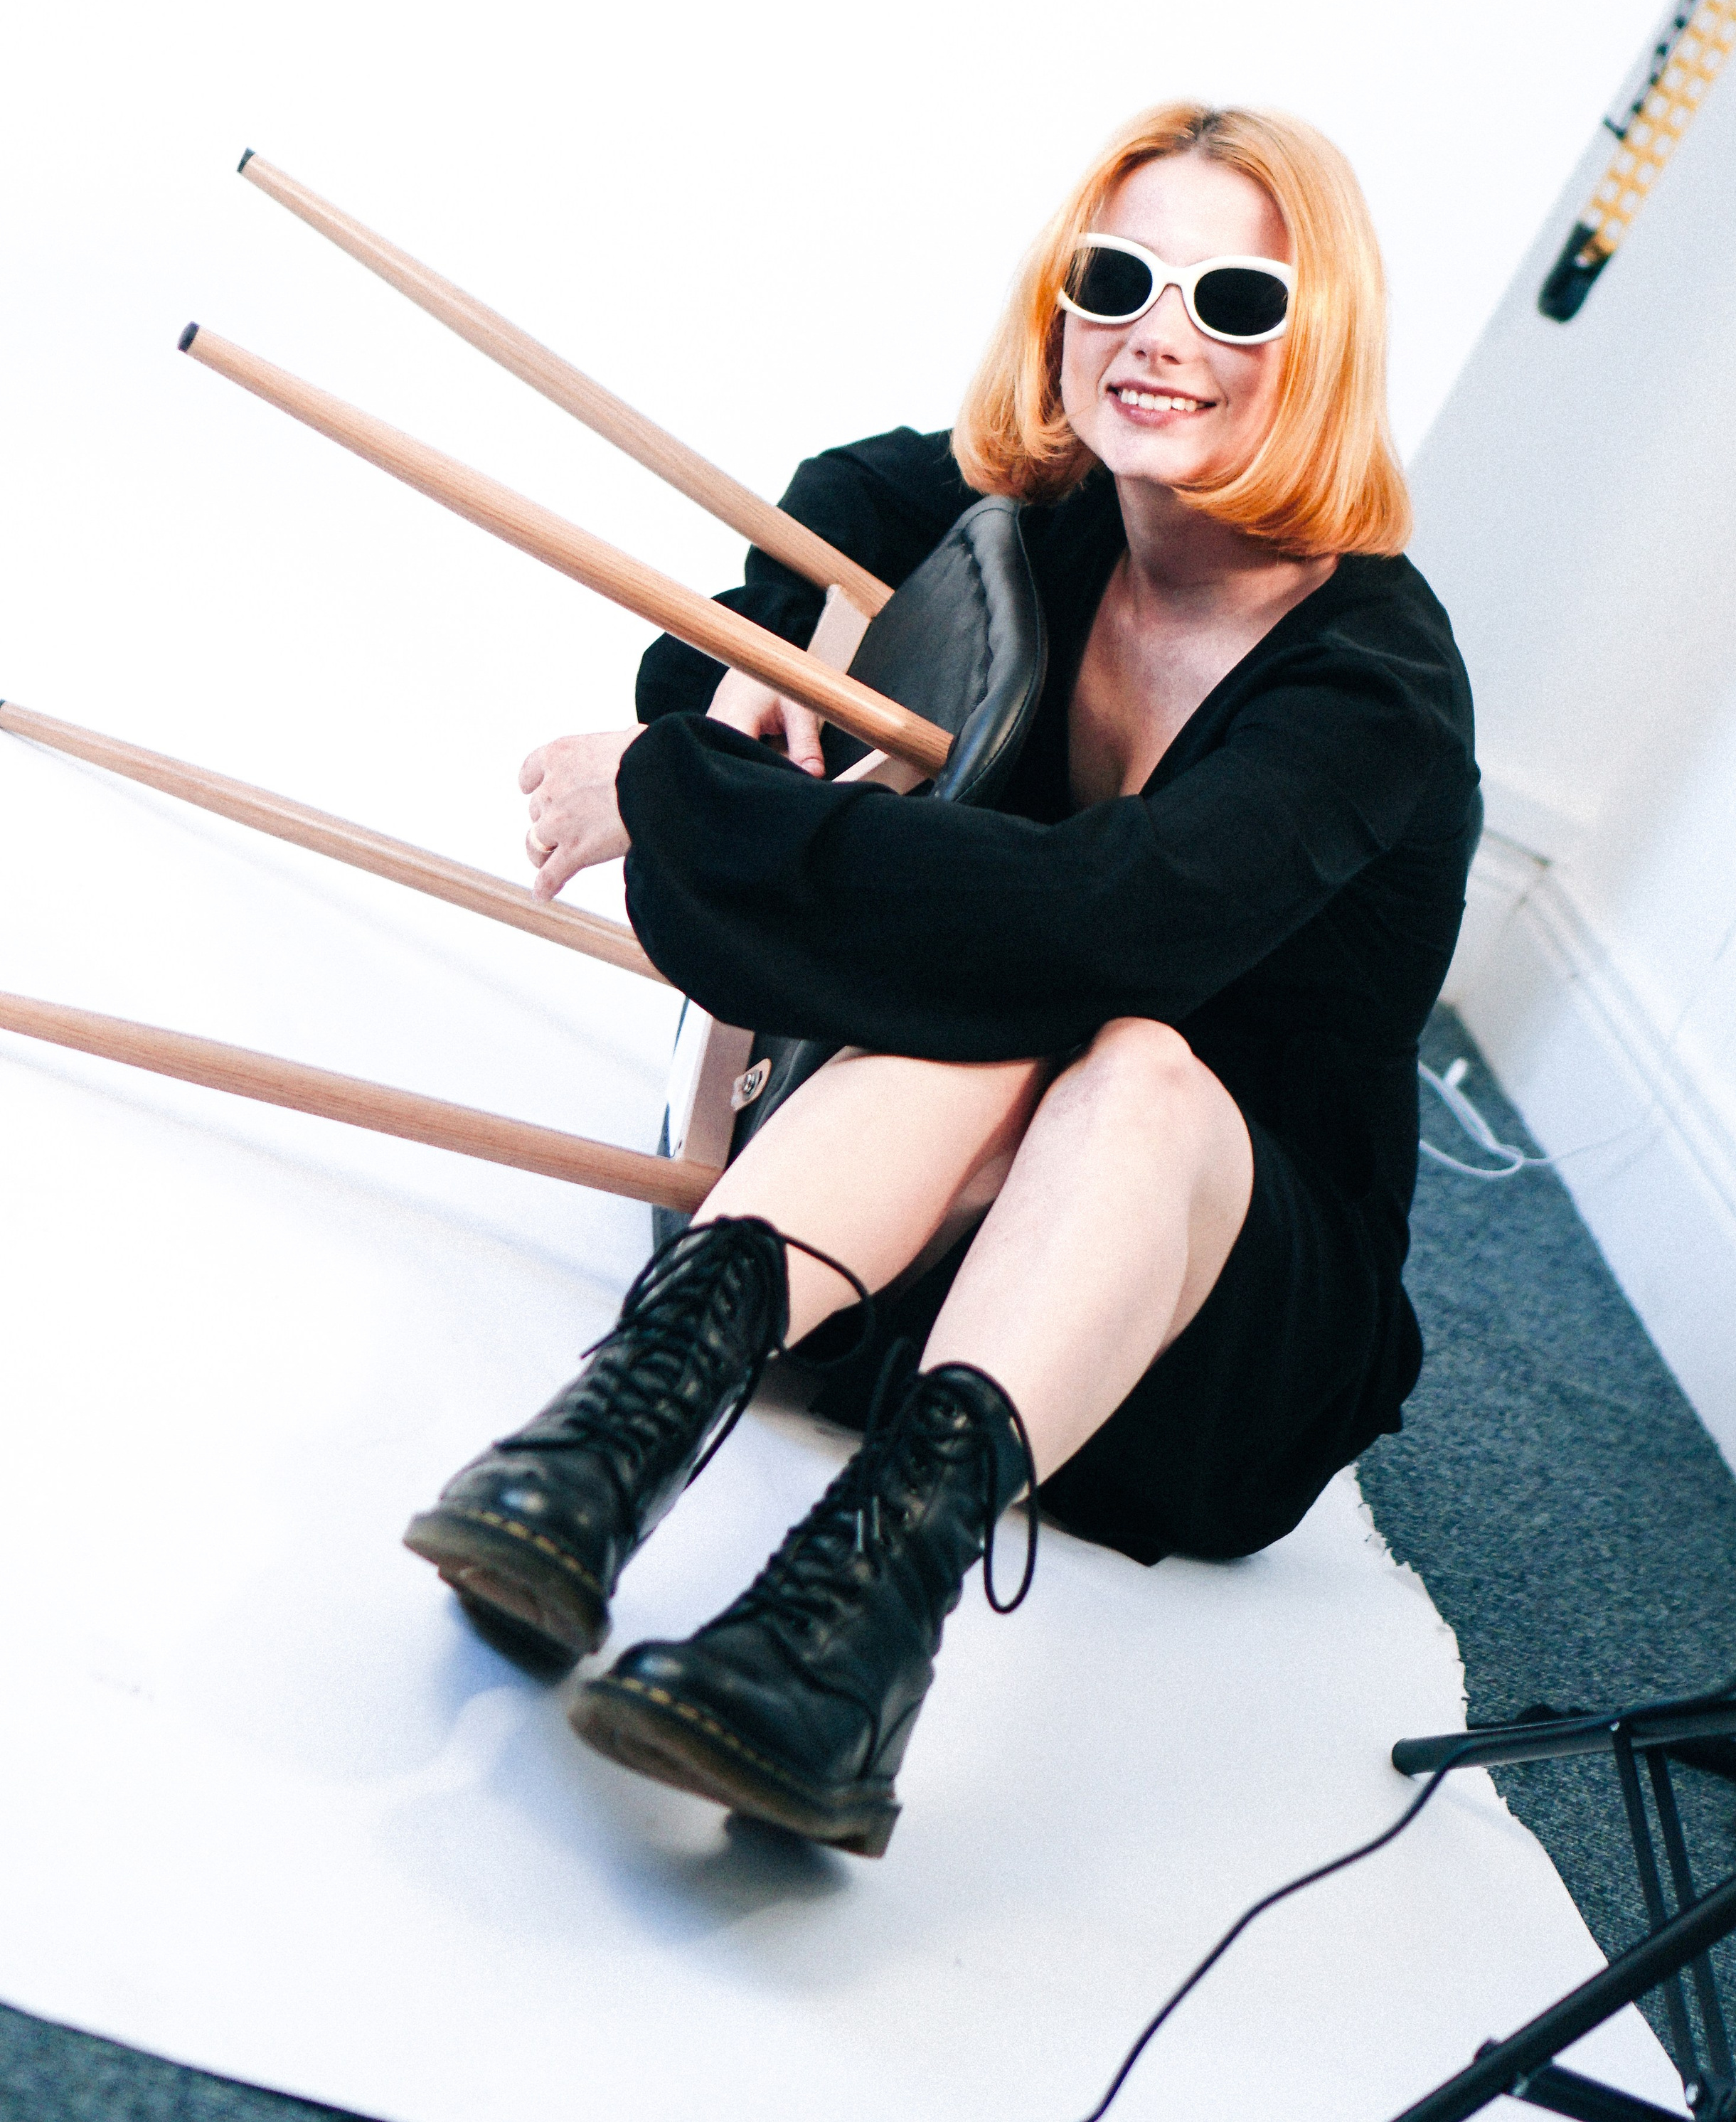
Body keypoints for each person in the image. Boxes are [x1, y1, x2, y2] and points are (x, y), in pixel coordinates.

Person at [403, 101, 1479, 1860]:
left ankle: (856, 1639)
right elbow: (840, 507)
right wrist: (740, 684)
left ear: (1324, 344)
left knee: (1110, 1034)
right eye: (1117, 277)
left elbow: (1097, 928)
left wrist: (675, 799)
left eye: (1237, 304)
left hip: (1213, 1332)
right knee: (1008, 993)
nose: (1161, 334)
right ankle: (615, 1437)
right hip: (934, 1236)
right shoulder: (1066, 514)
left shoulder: (1375, 691)